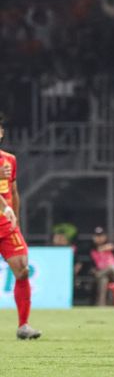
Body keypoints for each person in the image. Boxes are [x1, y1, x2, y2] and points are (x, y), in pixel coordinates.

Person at [0, 115, 41, 339]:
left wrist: (16, 218)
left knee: (23, 269)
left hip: (6, 225)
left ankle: (23, 325)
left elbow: (14, 192)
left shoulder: (9, 160)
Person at [89, 227, 114, 307]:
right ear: (94, 238)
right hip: (101, 274)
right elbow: (91, 267)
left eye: (101, 236)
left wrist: (109, 248)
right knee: (103, 279)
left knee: (109, 271)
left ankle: (101, 304)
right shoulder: (91, 249)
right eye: (97, 236)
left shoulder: (112, 247)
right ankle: (101, 305)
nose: (99, 238)